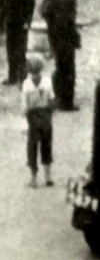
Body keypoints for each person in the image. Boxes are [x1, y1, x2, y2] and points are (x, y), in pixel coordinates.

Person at [40, 0, 82, 111]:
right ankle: (66, 102)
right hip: (65, 39)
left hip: (55, 37)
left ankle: (57, 95)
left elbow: (44, 11)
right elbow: (66, 22)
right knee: (68, 71)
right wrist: (74, 34)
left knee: (61, 67)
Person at [21, 53, 56, 188]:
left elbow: (24, 105)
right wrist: (51, 112)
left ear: (28, 69)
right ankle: (48, 176)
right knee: (47, 145)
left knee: (33, 146)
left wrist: (24, 117)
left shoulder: (26, 84)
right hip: (46, 115)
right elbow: (52, 99)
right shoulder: (47, 81)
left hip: (33, 117)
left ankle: (34, 177)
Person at [3, 0, 35, 86]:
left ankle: (22, 76)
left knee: (21, 48)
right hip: (11, 18)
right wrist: (5, 17)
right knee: (11, 47)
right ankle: (12, 76)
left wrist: (28, 20)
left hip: (22, 18)